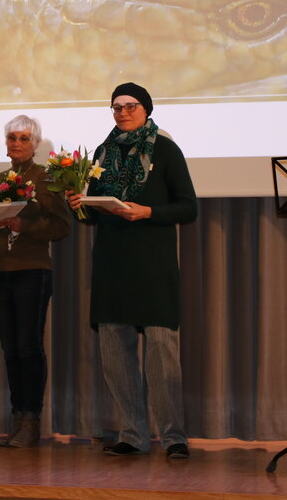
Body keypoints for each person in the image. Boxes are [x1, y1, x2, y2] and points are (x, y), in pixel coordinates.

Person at [67, 82, 197, 459]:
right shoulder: (102, 153)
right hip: (112, 265)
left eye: (131, 106)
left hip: (153, 267)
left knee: (162, 357)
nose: (122, 112)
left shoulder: (166, 150)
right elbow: (91, 214)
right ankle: (133, 435)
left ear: (146, 109)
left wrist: (148, 212)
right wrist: (80, 202)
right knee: (116, 357)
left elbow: (189, 208)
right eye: (116, 106)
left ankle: (174, 438)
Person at [0, 115, 70, 448]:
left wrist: (24, 226)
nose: (16, 144)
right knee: (11, 348)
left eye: (24, 139)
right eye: (12, 138)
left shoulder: (46, 178)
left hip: (32, 270)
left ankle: (32, 419)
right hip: (0, 270)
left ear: (36, 144)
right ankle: (18, 416)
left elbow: (61, 227)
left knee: (29, 347)